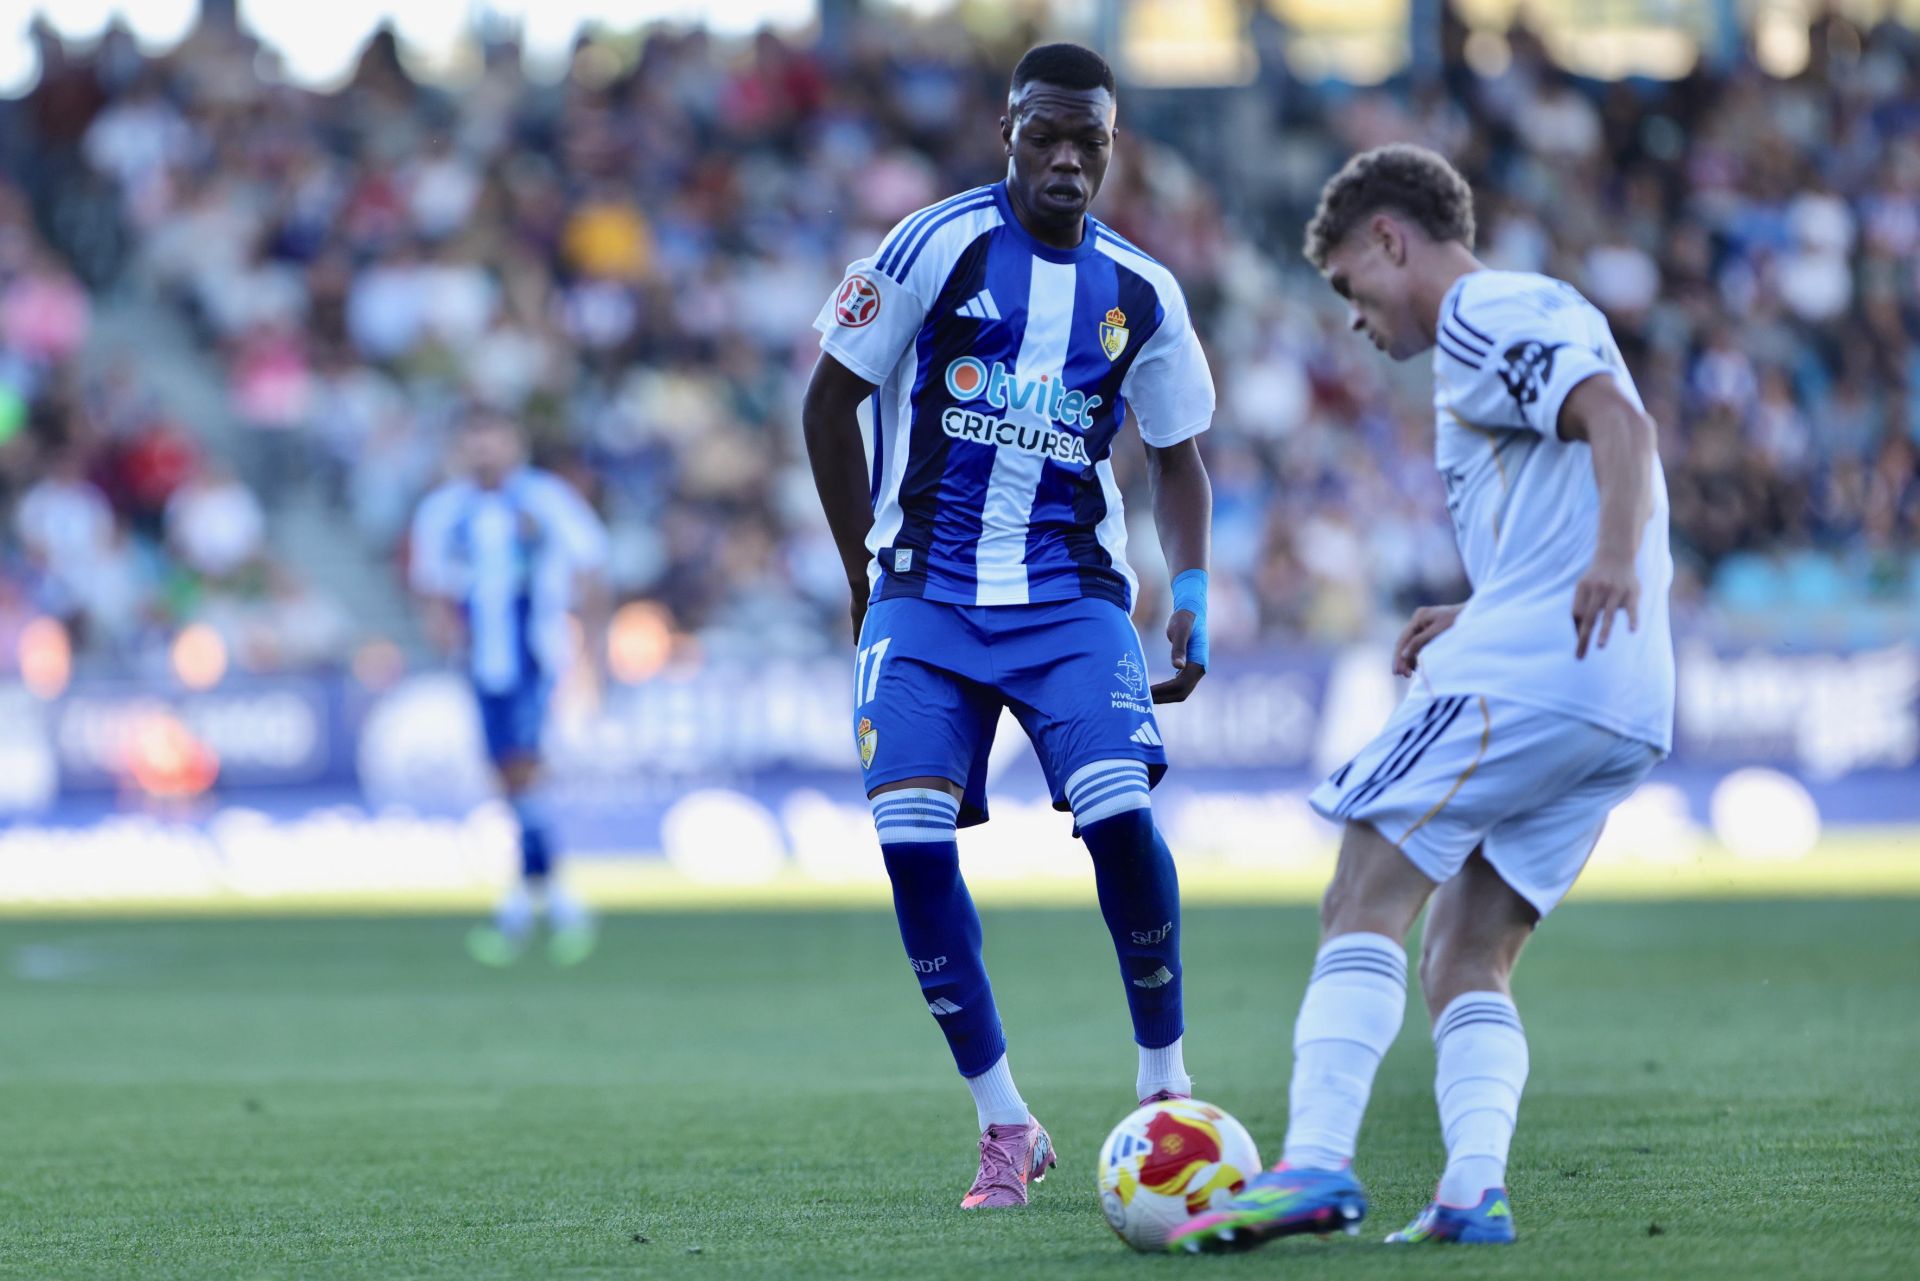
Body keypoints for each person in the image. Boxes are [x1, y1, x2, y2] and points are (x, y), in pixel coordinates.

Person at [1171, 143, 1674, 1253]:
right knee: (1465, 952)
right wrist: (1490, 599)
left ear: (1391, 240)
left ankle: (1313, 1168)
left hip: (1537, 668)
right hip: (1619, 697)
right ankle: (1470, 1192)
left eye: (1352, 284)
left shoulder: (1485, 313)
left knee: (1361, 899)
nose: (1354, 316)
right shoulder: (1519, 320)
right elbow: (1571, 465)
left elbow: (1621, 429)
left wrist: (1604, 561)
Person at [802, 42, 1216, 1210]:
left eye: (1092, 140)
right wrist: (857, 576)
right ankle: (1005, 1125)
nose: (1069, 160)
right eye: (1048, 136)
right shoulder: (929, 246)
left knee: (1123, 820)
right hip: (924, 599)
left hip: (1072, 596)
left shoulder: (1142, 290)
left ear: (1112, 145)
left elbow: (1181, 460)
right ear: (1008, 132)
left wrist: (1186, 598)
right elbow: (827, 403)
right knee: (912, 847)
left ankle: (1163, 1089)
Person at [410, 412, 610, 966]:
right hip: (481, 662)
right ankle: (545, 896)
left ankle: (534, 905)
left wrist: (591, 650)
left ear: (513, 446)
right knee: (507, 776)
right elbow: (429, 585)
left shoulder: (546, 500)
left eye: (493, 444)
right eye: (474, 446)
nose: (484, 455)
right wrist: (443, 631)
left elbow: (591, 565)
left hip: (536, 656)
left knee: (522, 768)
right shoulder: (445, 510)